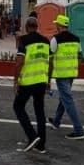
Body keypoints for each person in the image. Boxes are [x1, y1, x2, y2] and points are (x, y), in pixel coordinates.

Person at [13, 16, 49, 154]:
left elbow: (19, 62)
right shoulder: (45, 41)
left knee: (18, 106)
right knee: (40, 111)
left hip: (28, 81)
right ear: (37, 26)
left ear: (27, 27)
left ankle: (32, 136)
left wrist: (15, 81)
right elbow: (49, 62)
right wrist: (48, 79)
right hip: (41, 81)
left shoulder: (24, 41)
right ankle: (41, 145)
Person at [47, 14, 84, 140]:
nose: (55, 25)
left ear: (59, 25)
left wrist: (48, 77)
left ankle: (78, 130)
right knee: (64, 98)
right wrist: (74, 67)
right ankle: (56, 121)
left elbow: (51, 59)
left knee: (67, 100)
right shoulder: (76, 39)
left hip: (61, 74)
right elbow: (80, 56)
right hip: (72, 73)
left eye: (56, 24)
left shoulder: (55, 39)